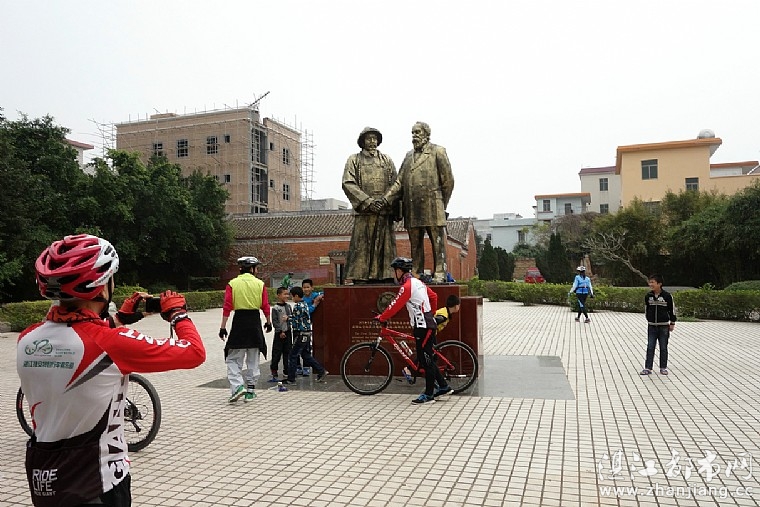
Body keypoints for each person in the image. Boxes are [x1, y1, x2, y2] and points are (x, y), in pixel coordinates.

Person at [17, 234, 206, 507]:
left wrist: (119, 319)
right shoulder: (111, 343)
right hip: (98, 483)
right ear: (103, 288)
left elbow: (79, 337)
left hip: (45, 479)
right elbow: (194, 352)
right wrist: (179, 315)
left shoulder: (28, 339)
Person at [383, 122, 454, 283]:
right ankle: (416, 272)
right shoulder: (409, 156)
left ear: (426, 135)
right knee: (415, 244)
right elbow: (399, 182)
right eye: (413, 133)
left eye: (417, 132)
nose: (414, 136)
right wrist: (386, 198)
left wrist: (442, 204)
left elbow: (448, 181)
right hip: (412, 208)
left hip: (433, 205)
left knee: (437, 242)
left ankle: (440, 272)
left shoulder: (438, 151)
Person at [377, 257, 454, 404]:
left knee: (426, 361)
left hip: (423, 326)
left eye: (395, 271)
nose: (394, 274)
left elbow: (395, 304)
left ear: (400, 271)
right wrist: (430, 314)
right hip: (425, 323)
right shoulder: (418, 282)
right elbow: (434, 296)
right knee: (427, 358)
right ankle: (443, 386)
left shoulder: (407, 286)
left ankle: (429, 395)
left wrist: (382, 317)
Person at [342, 126, 398, 283]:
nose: (372, 141)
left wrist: (386, 200)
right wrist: (367, 202)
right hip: (364, 212)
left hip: (383, 211)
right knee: (362, 245)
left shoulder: (386, 160)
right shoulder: (354, 160)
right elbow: (348, 182)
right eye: (369, 138)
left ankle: (386, 275)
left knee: (385, 246)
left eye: (375, 138)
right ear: (362, 141)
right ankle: (361, 276)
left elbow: (396, 183)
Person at [219, 256, 273, 403]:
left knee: (233, 358)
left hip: (239, 323)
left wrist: (223, 327)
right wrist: (268, 322)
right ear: (252, 269)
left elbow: (227, 306)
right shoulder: (260, 284)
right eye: (257, 268)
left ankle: (237, 386)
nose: (257, 271)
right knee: (253, 358)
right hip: (255, 323)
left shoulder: (232, 284)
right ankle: (250, 391)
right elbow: (265, 305)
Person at [282, 286, 328, 385]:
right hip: (307, 333)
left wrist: (287, 318)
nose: (292, 299)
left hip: (300, 334)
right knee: (305, 355)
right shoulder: (305, 304)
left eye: (292, 296)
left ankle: (291, 379)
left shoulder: (298, 306)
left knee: (293, 355)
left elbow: (296, 320)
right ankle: (321, 371)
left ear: (296, 296)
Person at [640, 274, 677, 376]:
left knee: (663, 347)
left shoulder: (667, 296)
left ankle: (663, 367)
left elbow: (672, 310)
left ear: (659, 284)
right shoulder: (648, 296)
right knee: (650, 346)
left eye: (653, 282)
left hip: (664, 326)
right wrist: (648, 318)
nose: (650, 284)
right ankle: (648, 368)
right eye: (650, 282)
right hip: (652, 326)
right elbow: (646, 309)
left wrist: (672, 322)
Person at [298, 278, 323, 376]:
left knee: (307, 347)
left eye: (308, 287)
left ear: (312, 288)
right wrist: (314, 305)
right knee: (302, 346)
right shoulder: (302, 299)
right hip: (304, 326)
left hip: (314, 324)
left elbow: (324, 293)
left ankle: (306, 367)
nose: (306, 289)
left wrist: (320, 296)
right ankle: (301, 367)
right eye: (304, 287)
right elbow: (306, 312)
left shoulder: (315, 295)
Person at [268, 287, 292, 382]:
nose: (287, 296)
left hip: (288, 332)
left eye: (287, 294)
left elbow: (291, 317)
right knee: (276, 353)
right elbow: (275, 321)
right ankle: (274, 371)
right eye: (284, 294)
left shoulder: (288, 306)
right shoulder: (275, 308)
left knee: (288, 352)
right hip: (279, 334)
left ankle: (287, 371)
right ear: (278, 295)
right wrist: (280, 331)